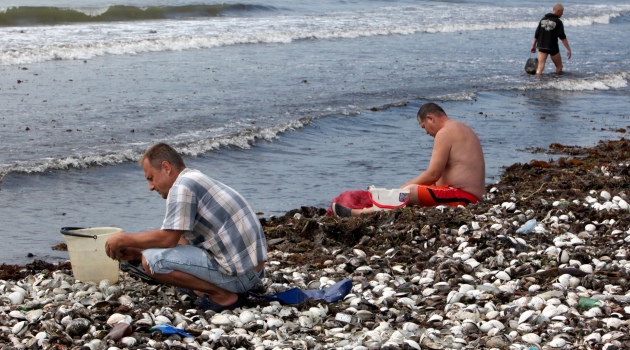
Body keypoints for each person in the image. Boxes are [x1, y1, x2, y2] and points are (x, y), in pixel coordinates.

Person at [105, 143, 267, 312]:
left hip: (242, 277)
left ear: (166, 167)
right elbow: (181, 240)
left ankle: (223, 296)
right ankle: (220, 288)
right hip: (253, 272)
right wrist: (138, 252)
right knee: (151, 257)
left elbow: (168, 239)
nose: (151, 187)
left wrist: (124, 238)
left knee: (153, 261)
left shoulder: (181, 187)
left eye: (151, 178)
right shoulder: (192, 178)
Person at [332, 103, 485, 217]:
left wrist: (403, 189)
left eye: (423, 126)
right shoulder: (460, 127)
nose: (426, 132)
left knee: (409, 191)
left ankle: (362, 213)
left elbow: (433, 174)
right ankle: (382, 205)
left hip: (465, 197)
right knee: (413, 192)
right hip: (462, 193)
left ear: (430, 118)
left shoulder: (445, 132)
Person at [530, 3, 571, 75]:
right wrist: (568, 49)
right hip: (552, 47)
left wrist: (533, 45)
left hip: (542, 46)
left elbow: (537, 34)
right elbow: (562, 37)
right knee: (559, 67)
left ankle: (538, 83)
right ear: (558, 11)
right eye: (562, 12)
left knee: (540, 67)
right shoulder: (558, 22)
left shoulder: (543, 19)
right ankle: (556, 82)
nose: (562, 14)